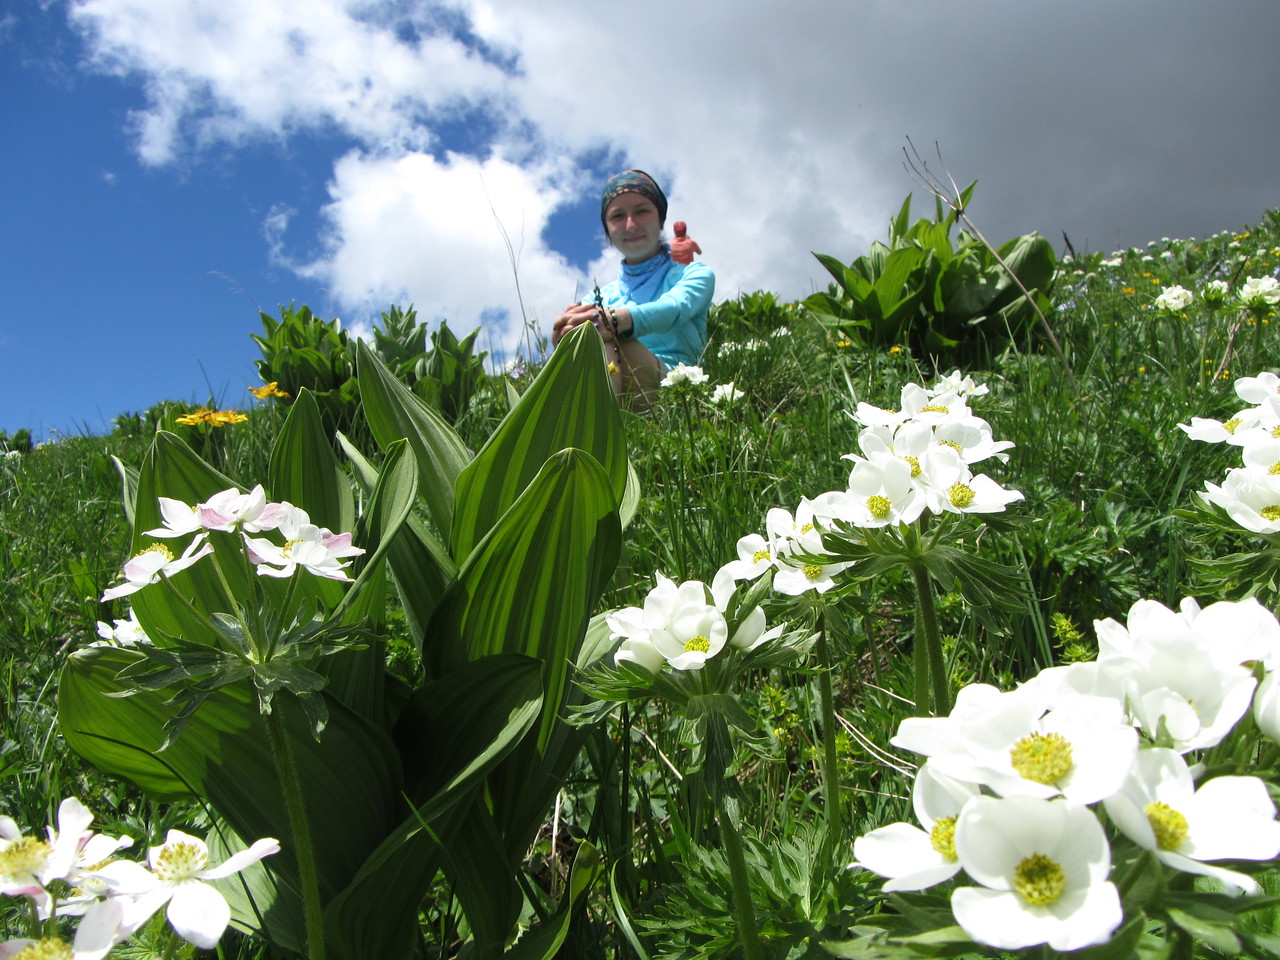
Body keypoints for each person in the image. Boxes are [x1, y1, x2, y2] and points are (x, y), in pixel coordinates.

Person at [552, 170, 714, 408]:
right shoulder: (599, 297)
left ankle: (592, 427)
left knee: (603, 337)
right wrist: (564, 335)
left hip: (679, 393)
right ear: (607, 230)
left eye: (642, 211)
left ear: (661, 220)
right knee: (591, 334)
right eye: (618, 216)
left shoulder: (695, 274)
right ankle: (594, 424)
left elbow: (675, 307)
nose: (631, 225)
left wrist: (616, 321)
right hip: (620, 392)